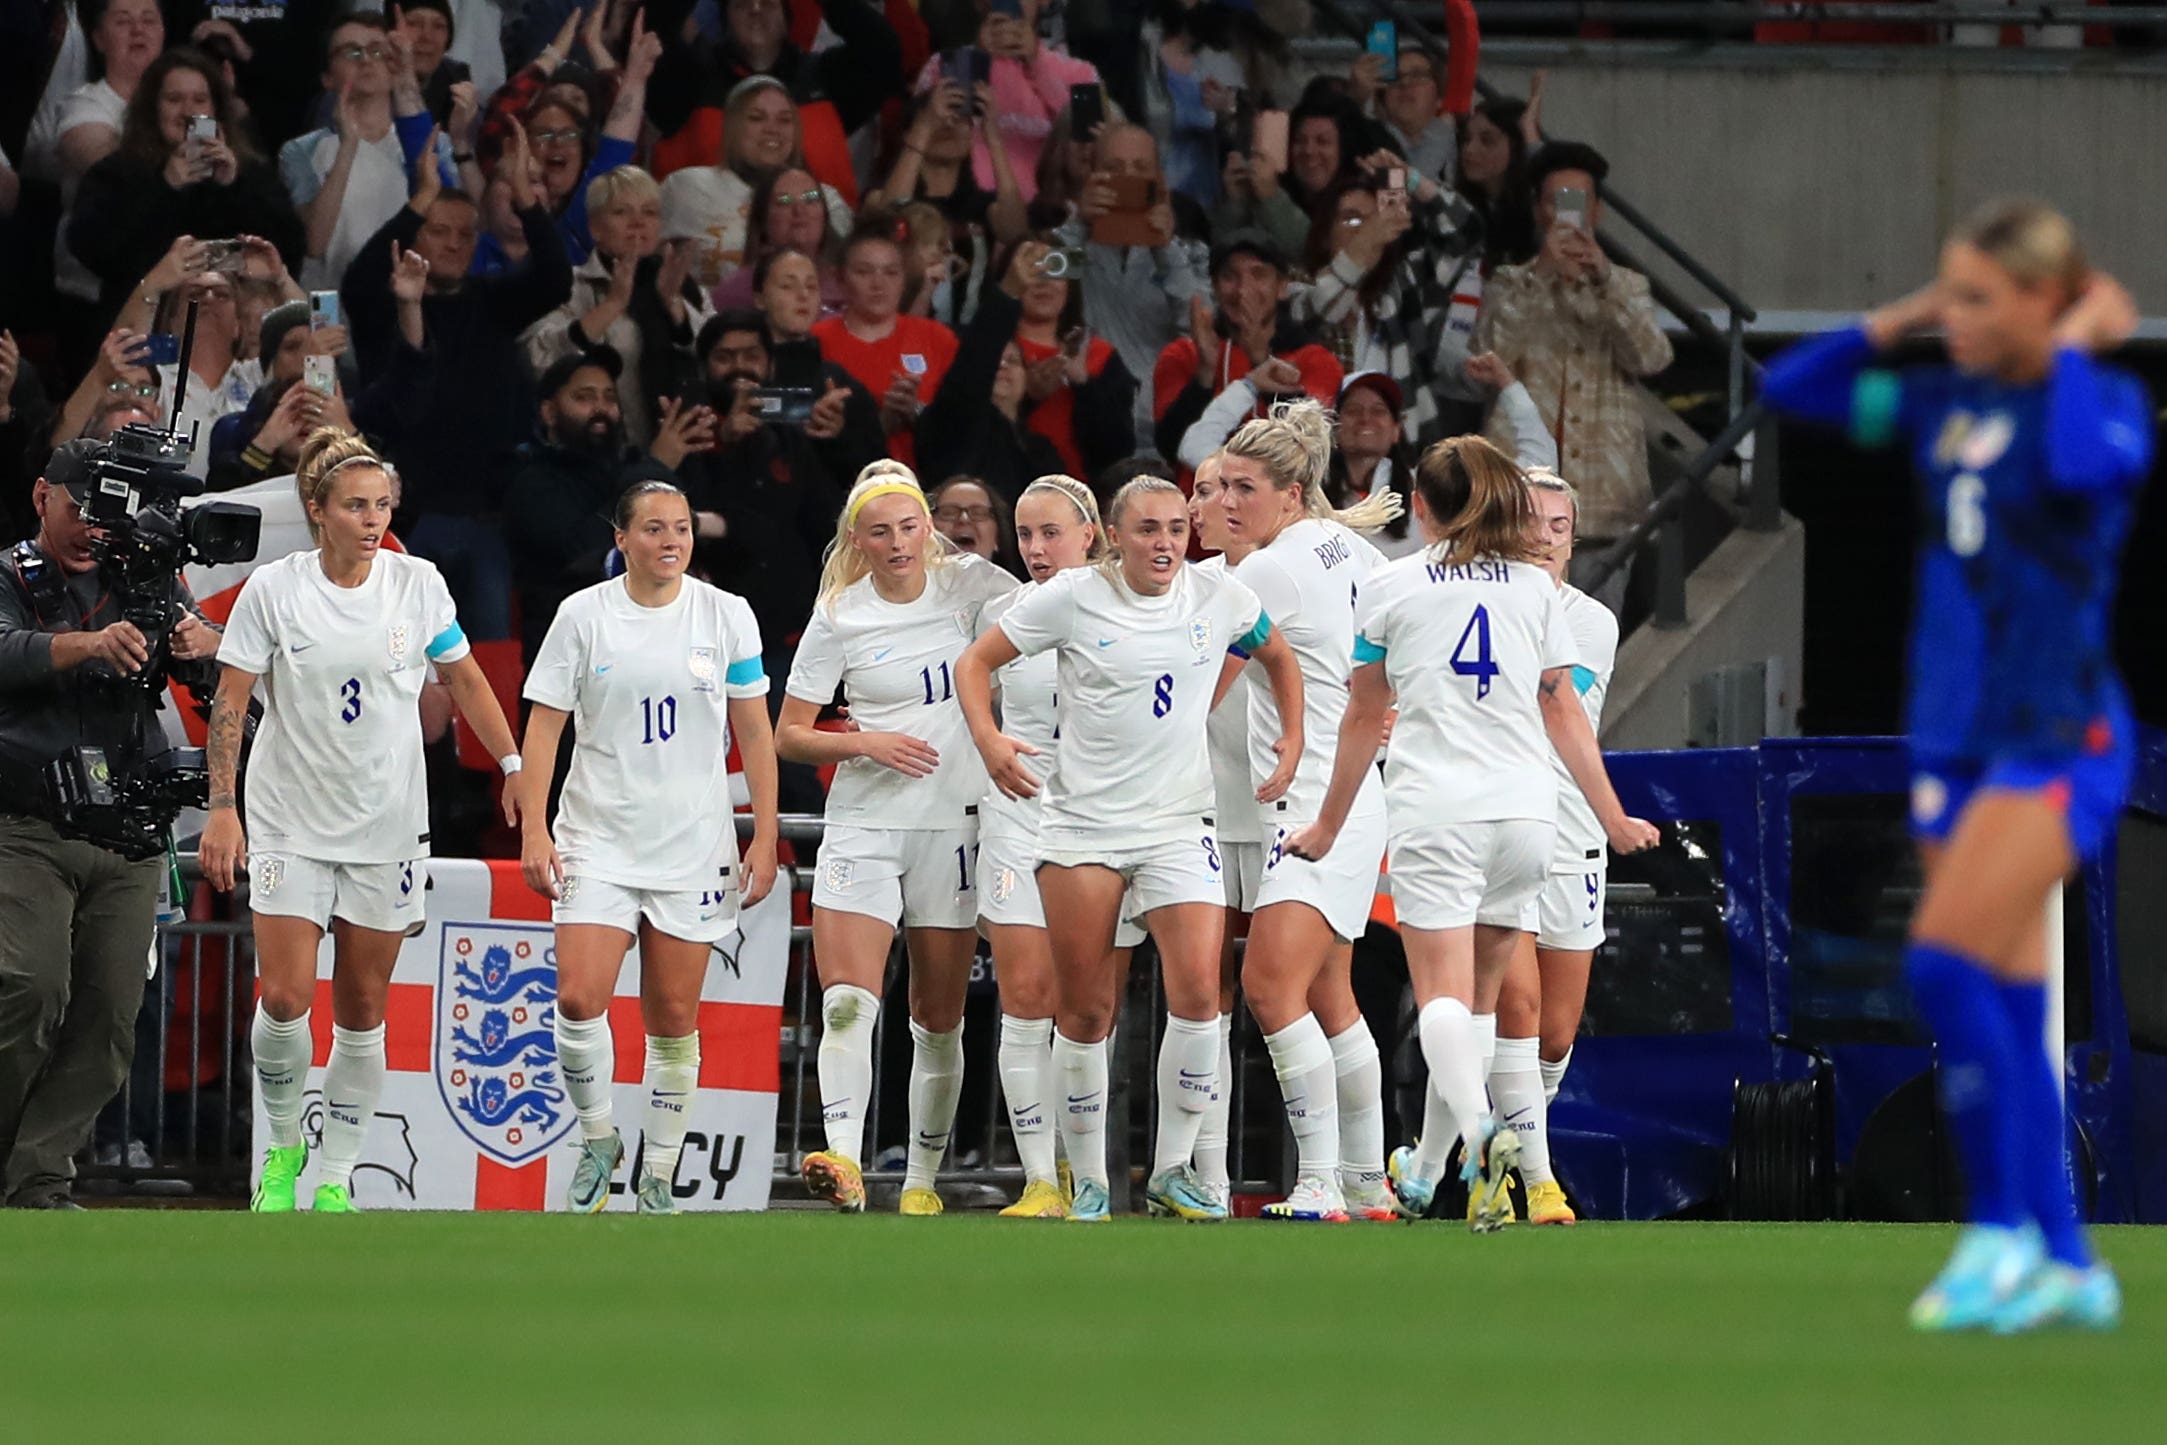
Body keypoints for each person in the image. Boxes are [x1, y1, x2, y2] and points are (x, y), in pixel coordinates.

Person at [1762, 200, 2151, 1331]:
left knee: (1937, 964)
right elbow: (1794, 393)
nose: (1958, 319)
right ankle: (2065, 1259)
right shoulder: (1946, 406)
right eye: (1952, 295)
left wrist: (2073, 348)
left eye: (1982, 297)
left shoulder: (2103, 404)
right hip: (1957, 741)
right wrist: (1910, 315)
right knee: (2012, 995)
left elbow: (2080, 465)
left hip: (2057, 734)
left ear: (2048, 299)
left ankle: (1997, 1230)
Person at [1285, 435, 1656, 1232]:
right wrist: (1613, 813)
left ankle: (1484, 1139)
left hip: (1436, 810)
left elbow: (1360, 716)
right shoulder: (1534, 587)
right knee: (1482, 1001)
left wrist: (1326, 822)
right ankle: (1425, 1169)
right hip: (1528, 817)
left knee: (1442, 996)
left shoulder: (1389, 584)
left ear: (1420, 506)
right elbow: (1562, 708)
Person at [956, 475, 1304, 1222]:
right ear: (1115, 535)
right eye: (1149, 529)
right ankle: (1086, 1181)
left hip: (1180, 823)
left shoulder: (1217, 595)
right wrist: (989, 742)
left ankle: (1174, 1168)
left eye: (1177, 528)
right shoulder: (1071, 597)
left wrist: (1293, 736)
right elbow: (974, 663)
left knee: (1201, 995)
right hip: (1082, 827)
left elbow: (1277, 654)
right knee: (1084, 1010)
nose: (1166, 543)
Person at [199, 429, 523, 1213]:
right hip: (287, 821)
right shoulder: (273, 589)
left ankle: (338, 1172)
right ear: (317, 511)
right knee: (282, 996)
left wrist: (513, 765)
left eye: (381, 504)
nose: (373, 519)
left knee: (364, 1006)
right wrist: (221, 805)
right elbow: (232, 700)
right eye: (355, 505)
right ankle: (282, 1152)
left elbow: (468, 679)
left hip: (386, 827)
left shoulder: (419, 585)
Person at [517, 480, 781, 1214]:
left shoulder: (726, 615)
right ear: (622, 537)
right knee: (577, 996)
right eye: (655, 528)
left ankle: (658, 1173)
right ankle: (599, 1135)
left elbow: (754, 730)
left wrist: (763, 832)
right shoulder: (583, 615)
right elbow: (544, 726)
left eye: (683, 529)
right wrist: (534, 828)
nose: (671, 541)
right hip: (597, 835)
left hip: (693, 842)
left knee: (671, 1015)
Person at [776, 468, 1020, 1213]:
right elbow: (789, 732)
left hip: (951, 822)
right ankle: (843, 1157)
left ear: (927, 528)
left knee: (937, 1016)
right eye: (879, 531)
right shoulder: (839, 615)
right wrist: (864, 743)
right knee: (848, 999)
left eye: (908, 527)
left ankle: (920, 1180)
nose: (896, 543)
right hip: (866, 822)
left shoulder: (974, 585)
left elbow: (1054, 603)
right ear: (859, 540)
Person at [0, 440, 223, 1210]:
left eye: (108, 512)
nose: (94, 526)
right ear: (41, 495)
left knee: (109, 1018)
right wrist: (86, 643)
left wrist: (209, 646)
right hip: (27, 824)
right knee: (29, 990)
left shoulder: (150, 581)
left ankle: (36, 1179)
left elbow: (230, 682)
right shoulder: (8, 575)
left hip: (128, 829)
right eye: (80, 506)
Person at [1207, 400, 1403, 1222]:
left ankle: (1319, 1177)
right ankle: (1366, 1178)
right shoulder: (1359, 551)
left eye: (1241, 488)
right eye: (1219, 487)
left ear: (1290, 494)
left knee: (1266, 983)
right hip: (1358, 797)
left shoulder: (1266, 570)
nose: (1224, 504)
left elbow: (1197, 691)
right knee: (1331, 993)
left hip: (1313, 807)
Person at [969, 475, 1132, 1216]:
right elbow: (967, 681)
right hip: (1019, 816)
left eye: (1051, 532)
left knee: (1089, 1008)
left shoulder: (1139, 605)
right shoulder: (1003, 612)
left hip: (1107, 823)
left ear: (1090, 533)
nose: (1036, 549)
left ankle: (1085, 1171)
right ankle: (1038, 1177)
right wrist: (990, 742)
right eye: (1025, 533)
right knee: (1027, 997)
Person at [342, 120, 571, 642]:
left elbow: (555, 279)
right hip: (404, 512)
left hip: (483, 514)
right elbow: (358, 277)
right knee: (400, 651)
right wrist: (420, 197)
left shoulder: (492, 301)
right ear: (413, 237)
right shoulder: (383, 303)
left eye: (465, 233)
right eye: (438, 230)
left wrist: (525, 198)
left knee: (486, 658)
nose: (454, 243)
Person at [1488, 468, 1618, 1228]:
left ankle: (1502, 1147)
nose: (1543, 535)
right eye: (1530, 520)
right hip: (1502, 828)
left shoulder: (1589, 621)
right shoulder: (1477, 607)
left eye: (1558, 525)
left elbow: (1547, 710)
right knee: (1517, 1007)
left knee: (1556, 1030)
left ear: (1573, 539)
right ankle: (1529, 1178)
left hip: (1571, 834)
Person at [1474, 141, 1673, 607]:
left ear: (1597, 211)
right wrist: (1541, 273)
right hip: (1518, 510)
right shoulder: (1510, 282)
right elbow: (1487, 355)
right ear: (1538, 210)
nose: (1567, 214)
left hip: (1604, 510)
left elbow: (1653, 358)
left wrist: (1603, 278)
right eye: (1556, 201)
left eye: (1578, 202)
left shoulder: (1626, 285)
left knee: (1591, 656)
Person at [69, 47, 305, 332]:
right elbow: (92, 249)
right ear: (153, 108)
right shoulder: (117, 172)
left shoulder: (248, 173)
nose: (188, 112)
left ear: (216, 109)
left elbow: (289, 249)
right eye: (173, 99)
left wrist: (234, 187)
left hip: (234, 332)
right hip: (145, 329)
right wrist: (165, 187)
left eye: (200, 100)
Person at [506, 349, 713, 666]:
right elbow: (577, 548)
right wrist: (654, 468)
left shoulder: (630, 466)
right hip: (569, 669)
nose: (600, 408)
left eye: (609, 397)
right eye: (584, 397)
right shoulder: (531, 480)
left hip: (649, 659)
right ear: (549, 412)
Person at [523, 165, 715, 450]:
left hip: (688, 453)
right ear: (595, 228)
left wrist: (673, 303)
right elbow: (539, 360)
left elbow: (716, 358)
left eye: (649, 212)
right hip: (600, 453)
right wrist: (612, 305)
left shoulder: (684, 288)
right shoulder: (570, 287)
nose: (638, 222)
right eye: (621, 212)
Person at [278, 10, 461, 291]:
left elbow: (447, 219)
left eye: (377, 52)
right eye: (351, 52)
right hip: (331, 305)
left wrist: (406, 77)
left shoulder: (434, 142)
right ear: (327, 77)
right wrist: (348, 146)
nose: (365, 60)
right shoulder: (300, 151)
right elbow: (314, 243)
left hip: (410, 300)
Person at [648, 0, 905, 200]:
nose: (756, 9)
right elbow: (657, 29)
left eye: (769, 3)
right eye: (742, 3)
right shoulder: (690, 79)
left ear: (787, 20)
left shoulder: (826, 79)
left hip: (817, 255)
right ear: (726, 20)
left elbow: (883, 50)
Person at [1050, 122, 1205, 452]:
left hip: (1160, 426)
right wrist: (1079, 225)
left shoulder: (1187, 254)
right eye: (1113, 168)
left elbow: (1200, 329)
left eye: (1140, 168)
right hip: (1083, 419)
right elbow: (1041, 290)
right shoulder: (1073, 246)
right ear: (1091, 175)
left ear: (1160, 180)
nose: (1127, 179)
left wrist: (1165, 248)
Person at [1155, 231, 1342, 478]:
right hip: (1203, 505)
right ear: (1214, 287)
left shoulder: (1315, 361)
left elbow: (1308, 445)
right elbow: (1171, 447)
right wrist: (1205, 374)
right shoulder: (1183, 355)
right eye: (1229, 276)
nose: (1243, 290)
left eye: (1258, 274)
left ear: (1283, 286)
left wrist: (1260, 360)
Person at [659, 77, 855, 292]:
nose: (772, 129)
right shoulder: (687, 187)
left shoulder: (826, 199)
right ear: (732, 127)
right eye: (756, 118)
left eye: (785, 120)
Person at [916, 241, 1067, 500]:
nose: (1002, 366)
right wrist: (1008, 292)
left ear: (1026, 380)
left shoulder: (1042, 452)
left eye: (1013, 361)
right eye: (997, 359)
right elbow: (971, 372)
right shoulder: (950, 422)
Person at [910, 0, 1100, 204]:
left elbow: (1085, 149)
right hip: (963, 211)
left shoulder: (1080, 72)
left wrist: (1037, 63)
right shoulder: (942, 64)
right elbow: (923, 141)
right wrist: (976, 59)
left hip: (1050, 216)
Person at [813, 226, 960, 470]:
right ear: (840, 278)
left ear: (905, 279)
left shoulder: (937, 338)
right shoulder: (817, 340)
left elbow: (963, 419)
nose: (878, 283)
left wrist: (916, 412)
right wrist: (878, 425)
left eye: (891, 272)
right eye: (864, 272)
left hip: (929, 475)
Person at [707, 169, 849, 315]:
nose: (799, 211)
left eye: (811, 198)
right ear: (762, 220)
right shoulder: (735, 294)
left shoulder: (853, 280)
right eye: (784, 201)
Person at [927, 476, 1018, 575]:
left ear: (997, 538)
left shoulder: (1013, 588)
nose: (964, 519)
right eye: (949, 513)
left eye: (979, 513)